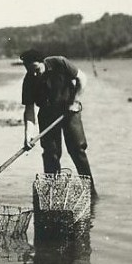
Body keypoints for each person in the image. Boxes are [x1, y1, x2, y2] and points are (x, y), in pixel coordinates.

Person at [19, 49, 96, 196]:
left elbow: (82, 78)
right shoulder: (28, 80)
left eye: (36, 70)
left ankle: (91, 192)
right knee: (51, 154)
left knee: (77, 150)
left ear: (43, 62)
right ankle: (54, 195)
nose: (34, 74)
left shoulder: (60, 62)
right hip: (47, 114)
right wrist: (28, 135)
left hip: (69, 109)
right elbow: (29, 111)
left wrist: (75, 101)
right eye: (30, 71)